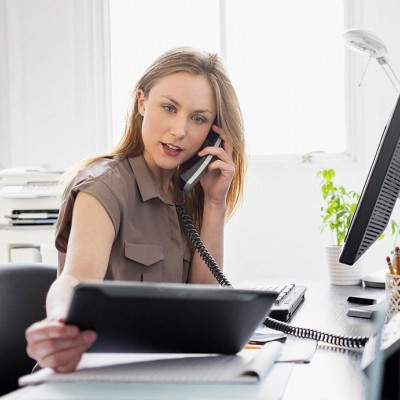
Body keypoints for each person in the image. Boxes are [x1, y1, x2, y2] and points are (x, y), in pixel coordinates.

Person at [25, 47, 246, 372]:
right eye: (169, 108)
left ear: (213, 133)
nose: (180, 130)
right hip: (94, 372)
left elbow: (202, 305)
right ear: (142, 102)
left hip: (162, 369)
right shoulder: (103, 186)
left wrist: (214, 203)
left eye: (198, 118)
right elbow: (75, 277)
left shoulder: (189, 194)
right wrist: (60, 322)